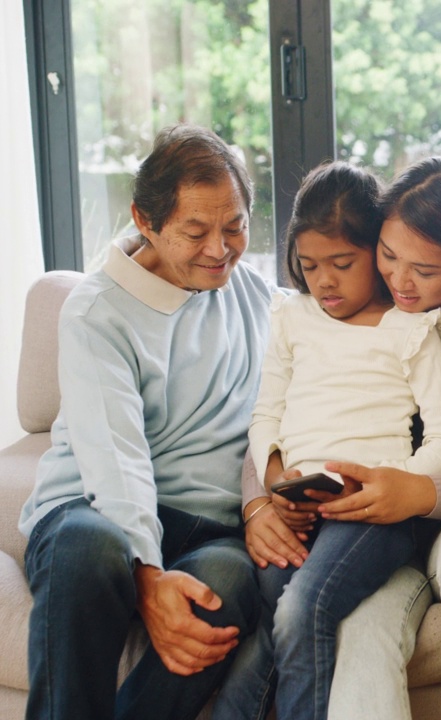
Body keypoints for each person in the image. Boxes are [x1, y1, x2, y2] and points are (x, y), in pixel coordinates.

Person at [235, 158, 441, 720]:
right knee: (353, 627)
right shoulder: (345, 307)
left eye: (424, 270)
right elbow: (289, 413)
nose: (400, 281)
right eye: (387, 256)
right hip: (372, 531)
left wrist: (413, 492)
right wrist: (259, 502)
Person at [18, 124, 273, 720]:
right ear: (145, 220)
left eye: (235, 226)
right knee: (91, 546)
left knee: (229, 583)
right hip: (93, 509)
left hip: (206, 527)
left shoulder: (254, 296)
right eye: (196, 231)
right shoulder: (96, 310)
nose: (221, 249)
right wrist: (148, 574)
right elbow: (117, 460)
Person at [213, 162, 441, 719]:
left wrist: (388, 485)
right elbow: (265, 417)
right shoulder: (292, 317)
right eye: (309, 266)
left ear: (376, 253)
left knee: (302, 608)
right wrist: (277, 483)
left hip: (374, 512)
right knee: (275, 613)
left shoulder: (412, 329)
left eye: (342, 264)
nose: (324, 281)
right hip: (300, 503)